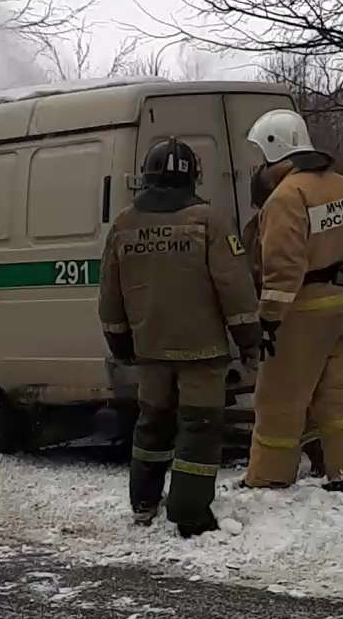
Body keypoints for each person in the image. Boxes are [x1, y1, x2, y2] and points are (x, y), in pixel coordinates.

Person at [98, 138, 261, 537]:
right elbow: (234, 286)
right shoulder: (208, 220)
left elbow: (110, 295)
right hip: (201, 353)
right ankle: (189, 512)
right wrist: (249, 339)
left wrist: (120, 344)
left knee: (151, 424)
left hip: (150, 351)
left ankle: (143, 502)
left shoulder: (123, 225)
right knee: (199, 427)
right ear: (193, 176)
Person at [243, 109, 343, 495]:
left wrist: (268, 319)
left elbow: (283, 267)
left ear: (274, 148)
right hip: (338, 306)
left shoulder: (287, 196)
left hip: (299, 311)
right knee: (336, 392)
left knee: (280, 397)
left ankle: (269, 476)